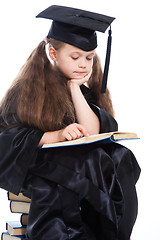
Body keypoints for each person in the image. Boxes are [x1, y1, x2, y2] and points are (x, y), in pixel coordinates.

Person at [0, 5, 140, 240]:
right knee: (91, 160)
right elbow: (6, 139)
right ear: (53, 54)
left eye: (89, 57)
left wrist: (74, 88)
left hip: (77, 161)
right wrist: (56, 135)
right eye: (75, 57)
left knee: (120, 157)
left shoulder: (83, 91)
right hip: (38, 163)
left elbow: (92, 131)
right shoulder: (26, 90)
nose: (83, 64)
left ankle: (117, 235)